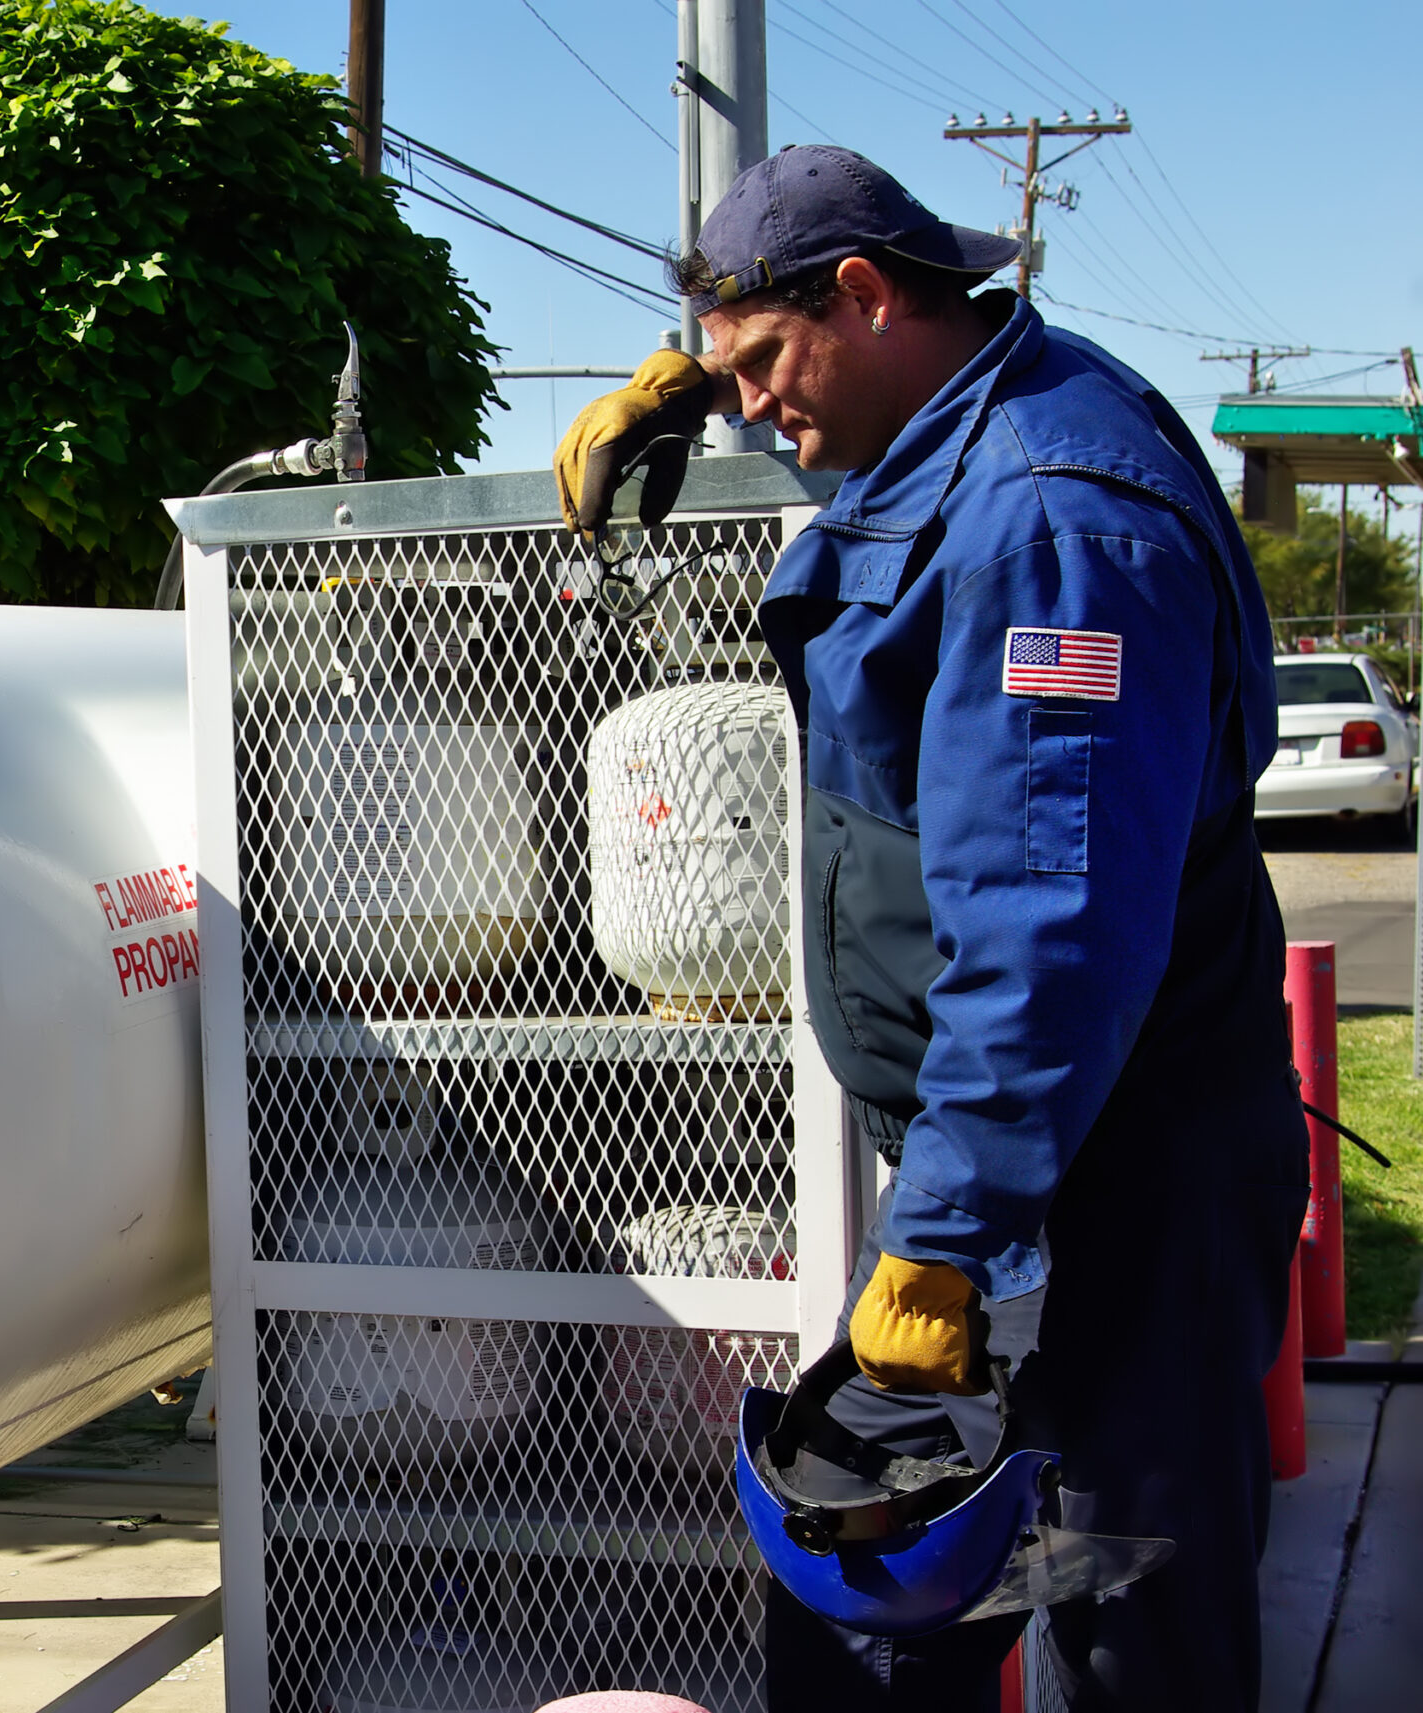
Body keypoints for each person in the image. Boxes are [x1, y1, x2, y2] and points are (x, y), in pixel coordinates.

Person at [555, 146, 1306, 1709]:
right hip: (1026, 1157)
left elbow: (1055, 940)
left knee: (1120, 1603)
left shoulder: (1054, 529)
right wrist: (709, 379)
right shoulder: (972, 399)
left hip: (1106, 1165)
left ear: (867, 293)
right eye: (727, 370)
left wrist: (945, 1247)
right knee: (883, 1587)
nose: (757, 407)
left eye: (766, 364)